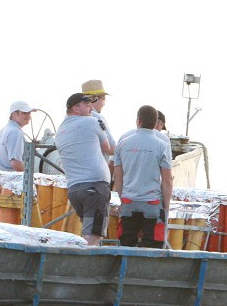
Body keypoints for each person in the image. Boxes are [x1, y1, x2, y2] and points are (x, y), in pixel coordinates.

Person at [55, 93, 114, 245]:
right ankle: (82, 266)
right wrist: (103, 127)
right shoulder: (92, 122)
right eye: (87, 105)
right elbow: (109, 148)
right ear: (76, 108)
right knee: (93, 235)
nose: (90, 109)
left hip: (75, 189)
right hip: (94, 186)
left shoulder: (60, 130)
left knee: (88, 231)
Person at [113, 105, 172, 248]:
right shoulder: (162, 145)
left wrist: (123, 198)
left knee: (126, 242)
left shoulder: (122, 143)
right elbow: (167, 180)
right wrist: (166, 206)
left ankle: (125, 269)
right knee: (153, 245)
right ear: (156, 123)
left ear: (138, 121)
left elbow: (118, 177)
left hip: (129, 199)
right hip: (152, 202)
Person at [0, 101, 35, 172]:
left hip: (0, 178)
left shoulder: (5, 129)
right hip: (11, 180)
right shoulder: (15, 132)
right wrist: (29, 178)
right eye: (24, 113)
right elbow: (15, 163)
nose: (29, 116)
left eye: (29, 113)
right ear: (14, 114)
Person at [81, 79, 117, 162]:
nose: (104, 103)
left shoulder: (73, 117)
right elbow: (111, 148)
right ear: (94, 98)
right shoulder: (96, 118)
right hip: (94, 170)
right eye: (103, 98)